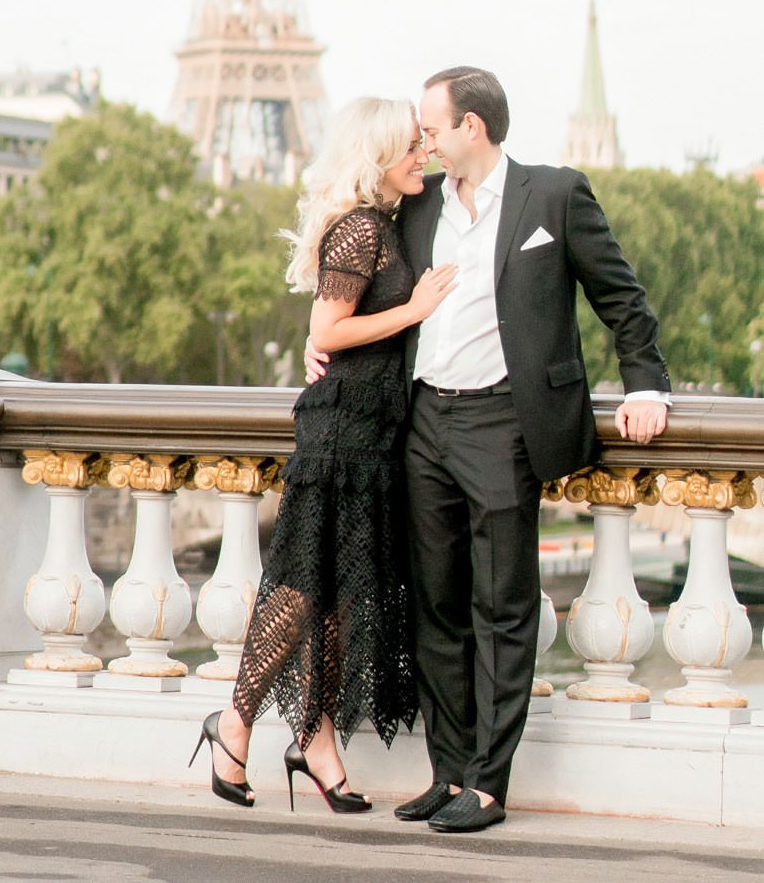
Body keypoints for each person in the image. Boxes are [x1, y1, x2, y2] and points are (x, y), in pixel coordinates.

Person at [306, 65, 669, 836]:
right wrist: (321, 349)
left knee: (501, 608)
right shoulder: (417, 206)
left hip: (505, 425)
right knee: (434, 606)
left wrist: (646, 387)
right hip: (422, 423)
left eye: (432, 130)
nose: (424, 143)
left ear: (472, 127)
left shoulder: (553, 195)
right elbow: (361, 293)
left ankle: (487, 784)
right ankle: (446, 772)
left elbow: (621, 298)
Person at [190, 97, 459, 813]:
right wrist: (413, 310)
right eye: (409, 148)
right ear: (377, 156)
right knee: (303, 585)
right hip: (339, 431)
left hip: (371, 432)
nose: (421, 157)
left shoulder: (390, 219)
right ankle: (235, 725)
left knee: (336, 594)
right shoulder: (360, 229)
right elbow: (328, 329)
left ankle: (314, 738)